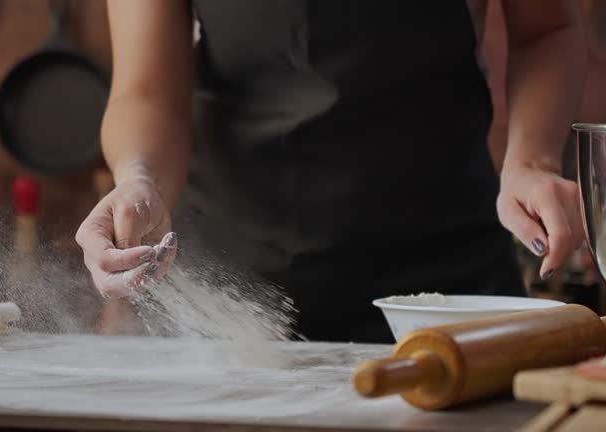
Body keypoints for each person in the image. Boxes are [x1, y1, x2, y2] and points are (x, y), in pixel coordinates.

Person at [76, 0, 587, 343]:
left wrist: (532, 160)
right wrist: (139, 179)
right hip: (227, 296)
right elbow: (146, 91)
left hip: (445, 283)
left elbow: (548, 29)